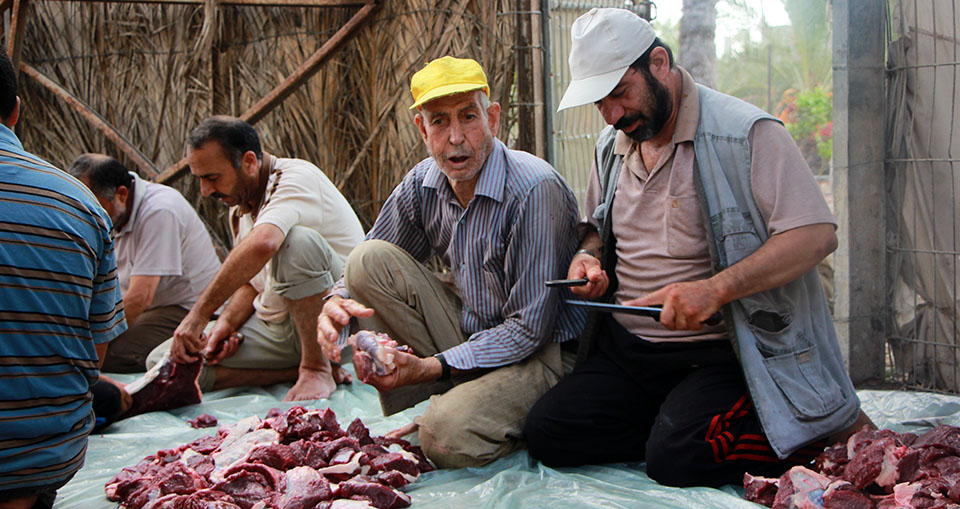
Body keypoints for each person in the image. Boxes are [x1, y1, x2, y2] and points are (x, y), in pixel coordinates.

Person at [523, 8, 872, 488]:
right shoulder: (612, 145)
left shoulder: (745, 133)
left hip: (723, 354)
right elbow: (597, 231)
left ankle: (810, 434)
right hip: (630, 354)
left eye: (620, 93)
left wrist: (715, 290)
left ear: (659, 64)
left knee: (676, 459)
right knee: (548, 434)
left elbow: (815, 235)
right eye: (600, 103)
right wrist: (588, 258)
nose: (613, 114)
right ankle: (677, 428)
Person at [317, 56, 586, 468]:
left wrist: (431, 367)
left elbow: (529, 330)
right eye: (440, 122)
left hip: (545, 354)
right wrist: (335, 301)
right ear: (423, 130)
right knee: (366, 261)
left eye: (468, 117)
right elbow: (373, 251)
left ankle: (475, 411)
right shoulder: (423, 183)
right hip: (475, 334)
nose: (456, 138)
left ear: (492, 118)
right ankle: (464, 397)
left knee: (443, 437)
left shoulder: (534, 189)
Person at [146, 116, 365, 401]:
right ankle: (291, 372)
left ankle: (316, 368)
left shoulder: (297, 177)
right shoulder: (240, 205)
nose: (205, 191)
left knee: (295, 242)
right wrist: (226, 324)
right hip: (278, 328)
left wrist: (198, 317)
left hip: (333, 326)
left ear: (249, 162)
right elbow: (252, 284)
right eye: (199, 179)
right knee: (167, 363)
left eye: (212, 178)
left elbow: (265, 243)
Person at [0, 53, 126, 508]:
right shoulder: (82, 203)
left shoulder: (156, 210)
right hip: (43, 461)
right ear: (15, 111)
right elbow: (95, 353)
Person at [68, 154, 222, 373]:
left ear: (121, 194)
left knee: (98, 354)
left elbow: (140, 298)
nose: (87, 215)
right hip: (152, 308)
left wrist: (86, 339)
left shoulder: (160, 210)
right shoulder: (110, 213)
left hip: (191, 310)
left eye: (93, 206)